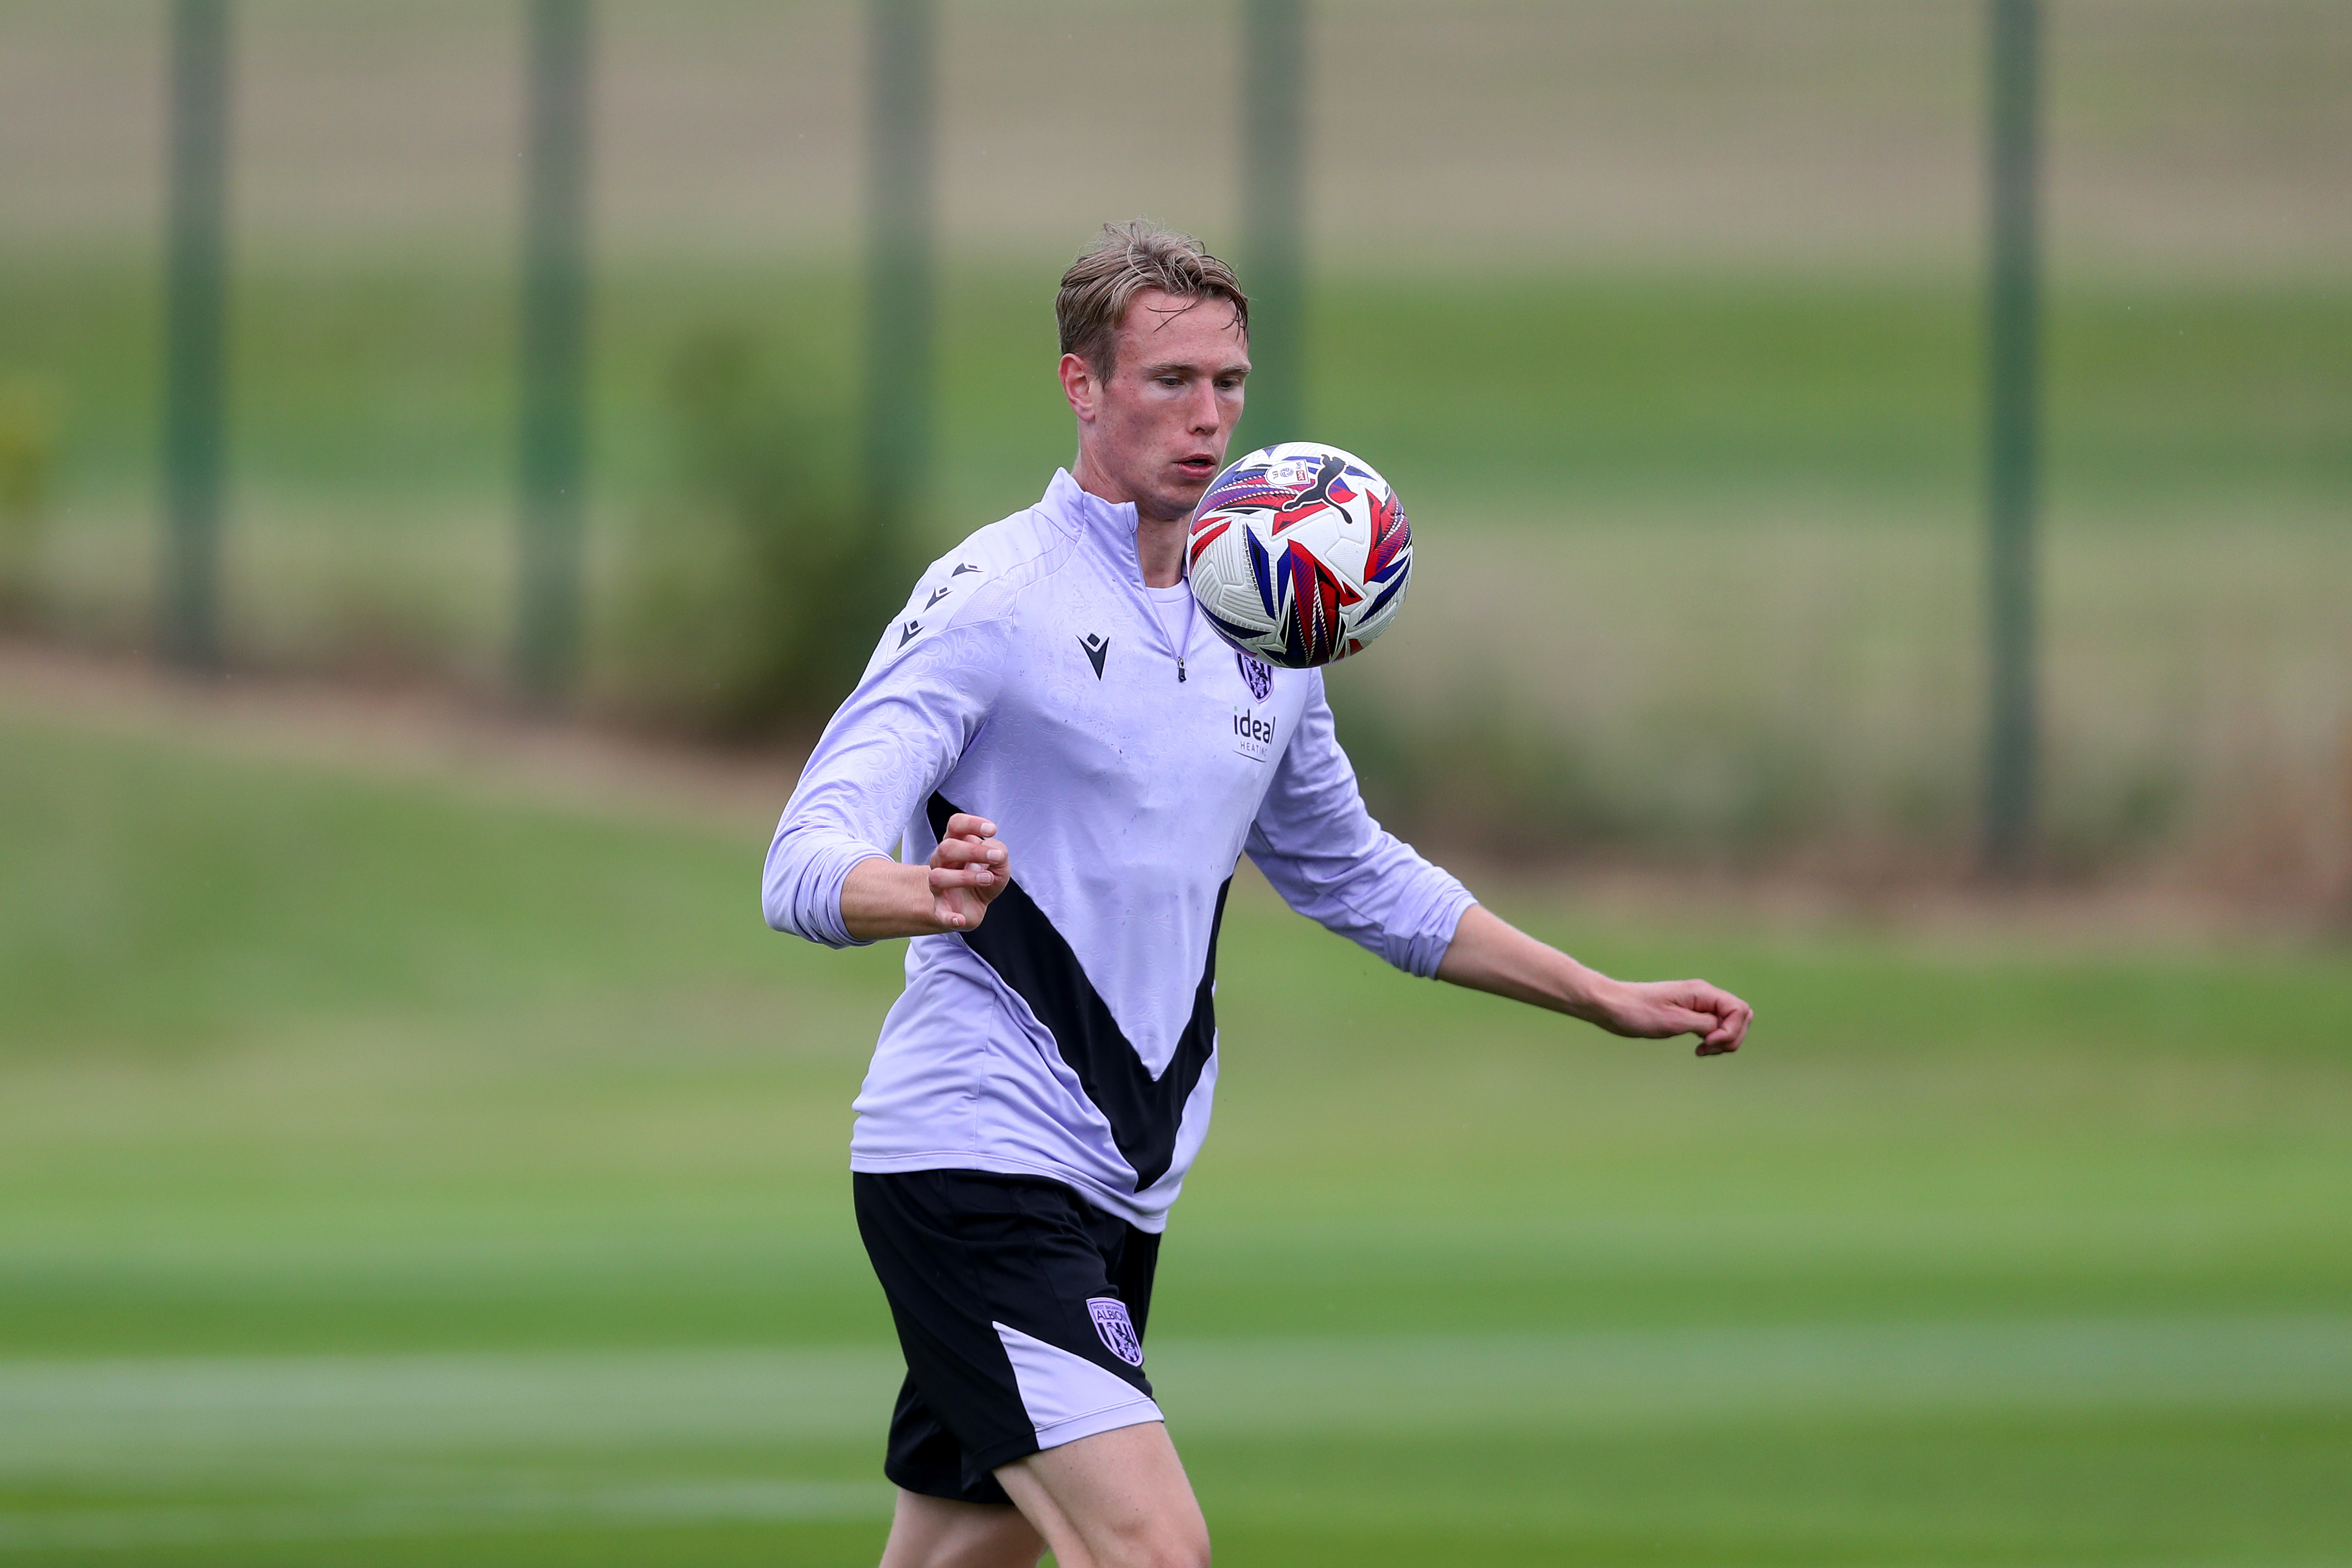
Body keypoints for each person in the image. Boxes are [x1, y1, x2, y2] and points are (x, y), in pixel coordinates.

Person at [763, 219, 1752, 1568]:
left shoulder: (1270, 619)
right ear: (1081, 386)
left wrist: (1596, 992)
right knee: (1160, 1550)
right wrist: (916, 890)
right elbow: (803, 859)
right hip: (976, 1157)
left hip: (1121, 1186)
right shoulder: (997, 594)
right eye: (1169, 381)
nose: (1208, 417)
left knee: (963, 1557)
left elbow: (1354, 871)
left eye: (1228, 383)